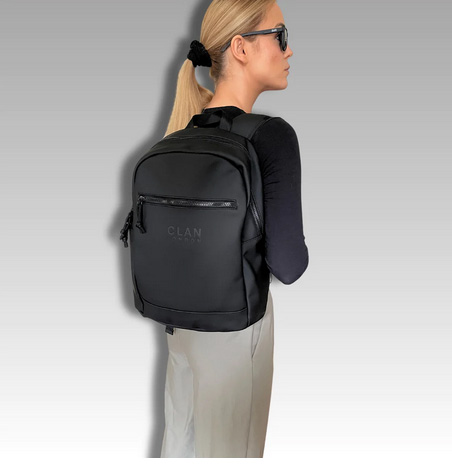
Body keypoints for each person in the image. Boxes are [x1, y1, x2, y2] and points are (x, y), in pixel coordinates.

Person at [159, 0, 309, 458]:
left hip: (180, 333)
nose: (289, 49)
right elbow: (288, 266)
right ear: (241, 47)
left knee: (178, 448)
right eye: (280, 36)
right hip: (236, 334)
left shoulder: (180, 135)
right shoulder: (270, 136)